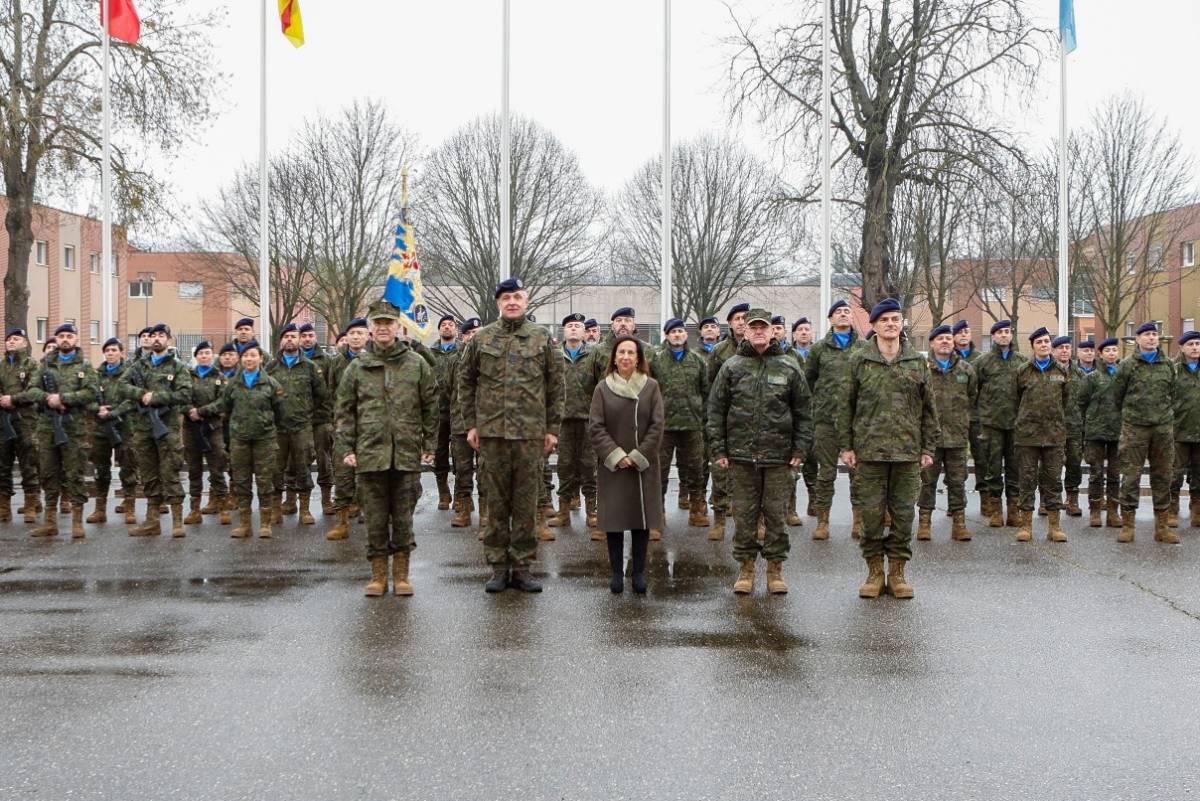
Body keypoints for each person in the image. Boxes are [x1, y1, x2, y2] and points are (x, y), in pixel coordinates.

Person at [458, 277, 564, 593]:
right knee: (496, 503)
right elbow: (466, 383)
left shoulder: (543, 338)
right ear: (498, 304)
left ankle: (522, 567)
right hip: (492, 434)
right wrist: (472, 425)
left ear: (527, 301)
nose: (512, 302)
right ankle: (498, 568)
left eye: (517, 297)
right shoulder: (482, 339)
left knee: (526, 503)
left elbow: (556, 386)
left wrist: (552, 429)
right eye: (507, 298)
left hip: (531, 435)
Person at [336, 300, 438, 597]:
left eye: (388, 323)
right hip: (369, 455)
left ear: (398, 327)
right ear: (370, 330)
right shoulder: (357, 367)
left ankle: (402, 576)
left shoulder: (416, 364)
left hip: (406, 455)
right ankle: (378, 576)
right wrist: (346, 447)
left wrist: (429, 443)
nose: (382, 328)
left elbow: (431, 406)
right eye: (377, 324)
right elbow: (344, 411)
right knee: (375, 519)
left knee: (403, 518)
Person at [839, 298, 937, 600]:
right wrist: (847, 446)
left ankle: (896, 573)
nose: (891, 325)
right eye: (885, 320)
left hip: (907, 453)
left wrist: (927, 447)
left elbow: (929, 409)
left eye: (895, 319)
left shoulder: (917, 362)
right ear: (875, 326)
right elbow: (846, 406)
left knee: (904, 515)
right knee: (871, 516)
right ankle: (873, 573)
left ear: (902, 324)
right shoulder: (859, 360)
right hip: (870, 453)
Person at [710, 309, 812, 595]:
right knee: (743, 516)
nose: (757, 331)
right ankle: (745, 568)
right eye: (752, 327)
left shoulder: (789, 366)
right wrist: (718, 448)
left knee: (776, 516)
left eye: (763, 327)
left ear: (771, 331)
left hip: (779, 458)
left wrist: (800, 449)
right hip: (741, 457)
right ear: (744, 331)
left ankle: (775, 569)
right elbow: (716, 411)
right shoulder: (731, 367)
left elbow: (804, 412)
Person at [589, 336, 665, 594]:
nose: (625, 357)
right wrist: (616, 455)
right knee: (615, 521)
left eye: (631, 353)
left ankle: (639, 572)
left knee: (641, 521)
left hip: (642, 465)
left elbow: (657, 425)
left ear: (638, 358)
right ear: (614, 357)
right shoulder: (603, 388)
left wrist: (639, 455)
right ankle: (616, 573)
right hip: (615, 465)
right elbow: (596, 426)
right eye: (621, 352)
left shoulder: (651, 386)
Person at [192, 340, 283, 538]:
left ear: (260, 358)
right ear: (241, 360)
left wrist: (269, 427)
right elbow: (222, 405)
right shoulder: (233, 383)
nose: (249, 359)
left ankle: (265, 523)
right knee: (241, 482)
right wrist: (200, 411)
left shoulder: (271, 383)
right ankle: (245, 523)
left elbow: (280, 410)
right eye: (246, 356)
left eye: (253, 355)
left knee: (265, 481)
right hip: (240, 439)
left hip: (264, 440)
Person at [22, 323, 98, 538]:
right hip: (47, 427)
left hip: (74, 428)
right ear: (56, 339)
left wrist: (64, 398)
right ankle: (49, 522)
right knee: (48, 473)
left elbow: (91, 393)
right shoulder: (45, 364)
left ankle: (77, 522)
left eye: (69, 336)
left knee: (75, 473)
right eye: (61, 336)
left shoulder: (85, 366)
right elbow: (31, 390)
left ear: (75, 339)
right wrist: (49, 398)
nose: (65, 339)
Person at [118, 323, 192, 538]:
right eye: (153, 335)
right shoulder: (138, 367)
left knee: (170, 473)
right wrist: (141, 394)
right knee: (149, 474)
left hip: (167, 428)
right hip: (143, 428)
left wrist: (157, 397)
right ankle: (152, 521)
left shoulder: (178, 367)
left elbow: (185, 394)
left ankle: (178, 521)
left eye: (161, 335)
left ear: (168, 339)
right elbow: (121, 386)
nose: (157, 339)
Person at [807, 298, 864, 540]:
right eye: (838, 312)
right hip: (826, 420)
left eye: (846, 311)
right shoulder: (819, 349)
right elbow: (807, 382)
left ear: (852, 318)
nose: (843, 314)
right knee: (826, 473)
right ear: (830, 319)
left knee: (857, 473)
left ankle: (859, 520)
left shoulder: (863, 348)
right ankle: (822, 521)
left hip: (855, 422)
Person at [1114, 322, 1177, 544]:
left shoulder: (1168, 365)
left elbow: (1173, 394)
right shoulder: (1127, 365)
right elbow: (1117, 396)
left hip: (1162, 429)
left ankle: (1162, 527)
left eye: (1154, 334)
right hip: (1135, 429)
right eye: (1147, 335)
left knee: (1163, 476)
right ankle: (1128, 525)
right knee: (1131, 476)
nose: (1151, 338)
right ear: (1137, 340)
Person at [265, 322, 330, 527]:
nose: (290, 340)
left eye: (293, 336)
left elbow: (321, 395)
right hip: (278, 428)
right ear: (281, 340)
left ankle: (305, 510)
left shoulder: (310, 367)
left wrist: (306, 411)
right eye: (287, 337)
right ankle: (276, 510)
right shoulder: (271, 367)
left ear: (298, 339)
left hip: (302, 426)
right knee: (276, 468)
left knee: (303, 466)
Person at [649, 318, 709, 535]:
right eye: (673, 332)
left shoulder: (698, 361)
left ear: (686, 335)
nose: (677, 335)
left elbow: (706, 391)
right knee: (659, 471)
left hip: (692, 425)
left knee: (695, 469)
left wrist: (704, 418)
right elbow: (649, 392)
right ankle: (657, 515)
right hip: (663, 427)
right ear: (666, 336)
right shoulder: (656, 360)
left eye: (680, 331)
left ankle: (696, 510)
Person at [917, 325, 977, 542]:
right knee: (927, 482)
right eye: (940, 338)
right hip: (930, 439)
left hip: (957, 436)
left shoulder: (966, 370)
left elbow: (973, 398)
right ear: (932, 343)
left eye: (948, 338)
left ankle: (959, 524)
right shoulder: (922, 368)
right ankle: (924, 523)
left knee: (957, 481)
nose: (945, 342)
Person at [1013, 328, 1069, 543]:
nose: (1044, 345)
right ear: (1033, 346)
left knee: (1053, 480)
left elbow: (1066, 400)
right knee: (1026, 480)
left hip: (1054, 436)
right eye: (1040, 342)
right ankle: (1025, 525)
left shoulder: (1062, 371)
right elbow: (1015, 400)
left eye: (1047, 341)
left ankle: (1054, 526)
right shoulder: (1022, 371)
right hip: (1028, 436)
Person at [547, 313, 599, 538]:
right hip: (563, 421)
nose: (574, 330)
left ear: (585, 331)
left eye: (578, 326)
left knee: (590, 467)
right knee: (565, 466)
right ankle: (564, 511)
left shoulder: (594, 355)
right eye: (570, 326)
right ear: (564, 331)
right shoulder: (555, 356)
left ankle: (593, 511)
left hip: (589, 420)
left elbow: (602, 385)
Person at [974, 319, 1027, 527]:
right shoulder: (983, 362)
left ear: (1011, 335)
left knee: (1015, 468)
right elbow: (972, 389)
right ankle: (996, 510)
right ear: (993, 336)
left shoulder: (1022, 362)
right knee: (992, 468)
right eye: (1000, 332)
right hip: (991, 424)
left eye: (1007, 331)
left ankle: (1013, 510)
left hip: (1015, 424)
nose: (1004, 335)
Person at [706, 302, 750, 533]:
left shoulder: (761, 348)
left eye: (745, 317)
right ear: (731, 324)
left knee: (751, 475)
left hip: (754, 422)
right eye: (737, 318)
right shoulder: (719, 351)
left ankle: (754, 521)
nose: (742, 321)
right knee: (720, 471)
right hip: (727, 421)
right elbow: (711, 386)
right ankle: (720, 519)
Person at [326, 317, 369, 541]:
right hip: (344, 425)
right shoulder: (337, 362)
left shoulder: (373, 360)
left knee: (367, 473)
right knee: (342, 472)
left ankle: (366, 512)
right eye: (351, 333)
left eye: (360, 333)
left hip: (368, 425)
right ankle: (341, 522)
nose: (355, 337)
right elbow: (331, 390)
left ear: (367, 336)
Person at [86, 338, 138, 525]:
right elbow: (88, 396)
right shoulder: (96, 374)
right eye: (107, 350)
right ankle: (100, 509)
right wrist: (97, 409)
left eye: (114, 350)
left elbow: (134, 398)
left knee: (128, 467)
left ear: (121, 353)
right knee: (101, 469)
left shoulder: (130, 373)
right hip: (101, 428)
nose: (110, 353)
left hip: (124, 426)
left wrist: (114, 412)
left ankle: (130, 507)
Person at [182, 341, 230, 526]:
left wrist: (201, 412)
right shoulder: (187, 377)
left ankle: (223, 506)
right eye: (201, 353)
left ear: (212, 355)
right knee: (194, 469)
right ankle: (194, 510)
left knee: (217, 467)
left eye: (207, 353)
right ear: (196, 357)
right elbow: (180, 397)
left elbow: (223, 402)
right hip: (191, 429)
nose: (204, 356)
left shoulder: (220, 377)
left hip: (212, 429)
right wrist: (190, 411)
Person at [1079, 337, 1124, 528]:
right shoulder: (1092, 378)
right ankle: (1095, 511)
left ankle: (1113, 512)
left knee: (1115, 475)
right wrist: (1090, 422)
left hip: (1118, 433)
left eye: (1114, 350)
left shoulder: (1124, 376)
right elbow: (1082, 402)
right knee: (1096, 474)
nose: (1112, 353)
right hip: (1095, 433)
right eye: (1108, 351)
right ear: (1101, 354)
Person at [0, 328, 42, 524]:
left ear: (25, 342)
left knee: (29, 464)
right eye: (8, 339)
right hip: (3, 421)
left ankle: (31, 504)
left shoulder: (33, 365)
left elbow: (34, 391)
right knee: (2, 464)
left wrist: (13, 399)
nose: (11, 342)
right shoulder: (1, 366)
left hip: (26, 421)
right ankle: (4, 507)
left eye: (16, 339)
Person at [449, 317, 485, 528]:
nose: (473, 337)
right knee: (462, 469)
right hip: (460, 421)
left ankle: (486, 512)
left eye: (477, 333)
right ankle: (463, 508)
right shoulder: (455, 359)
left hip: (484, 422)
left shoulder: (488, 358)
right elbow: (447, 389)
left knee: (485, 469)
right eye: (469, 333)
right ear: (463, 336)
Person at [299, 322, 336, 516]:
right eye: (303, 335)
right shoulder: (295, 360)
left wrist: (328, 411)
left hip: (321, 418)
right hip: (300, 420)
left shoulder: (327, 360)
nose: (307, 338)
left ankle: (326, 500)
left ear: (315, 337)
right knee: (300, 460)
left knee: (324, 459)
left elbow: (331, 387)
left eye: (310, 335)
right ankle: (297, 502)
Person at [430, 314, 461, 511]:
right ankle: (443, 493)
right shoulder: (430, 353)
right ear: (439, 330)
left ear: (456, 330)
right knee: (439, 453)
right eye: (443, 325)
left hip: (458, 411)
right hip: (436, 411)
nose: (447, 327)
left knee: (460, 455)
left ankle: (460, 495)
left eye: (450, 325)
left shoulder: (463, 351)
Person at [1052, 336, 1085, 517]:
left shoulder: (1079, 374)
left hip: (1074, 427)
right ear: (1053, 351)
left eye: (1067, 347)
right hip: (1052, 427)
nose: (1064, 350)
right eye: (1060, 347)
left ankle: (1072, 499)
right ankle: (1049, 499)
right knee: (1051, 465)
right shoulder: (1047, 372)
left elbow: (1086, 401)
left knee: (1074, 463)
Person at [787, 317, 816, 523]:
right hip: (793, 415)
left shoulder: (817, 354)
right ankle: (791, 506)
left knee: (812, 459)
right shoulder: (789, 356)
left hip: (816, 414)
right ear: (794, 335)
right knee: (793, 461)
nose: (804, 332)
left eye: (807, 329)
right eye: (800, 330)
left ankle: (814, 499)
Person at [951, 320, 984, 503]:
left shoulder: (980, 358)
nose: (964, 334)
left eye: (966, 331)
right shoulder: (948, 357)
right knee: (957, 460)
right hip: (954, 418)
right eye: (960, 332)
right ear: (954, 336)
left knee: (981, 458)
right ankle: (956, 497)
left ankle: (985, 498)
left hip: (976, 416)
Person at [1171, 330, 1200, 529]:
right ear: (1181, 347)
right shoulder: (1173, 370)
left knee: (1199, 474)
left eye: (1198, 343)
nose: (1195, 347)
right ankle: (1172, 509)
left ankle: (1197, 508)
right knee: (1174, 473)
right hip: (1178, 431)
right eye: (1190, 344)